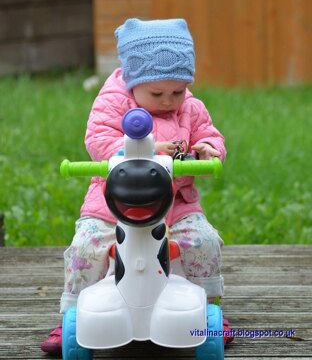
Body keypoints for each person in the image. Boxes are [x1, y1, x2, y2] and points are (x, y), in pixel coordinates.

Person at [41, 18, 233, 354]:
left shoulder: (190, 106)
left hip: (175, 207)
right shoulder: (113, 101)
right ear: (132, 80)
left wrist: (209, 149)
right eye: (157, 93)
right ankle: (71, 313)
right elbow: (98, 138)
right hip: (115, 205)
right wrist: (145, 148)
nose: (168, 100)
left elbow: (208, 134)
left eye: (178, 91)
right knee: (85, 247)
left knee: (203, 241)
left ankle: (208, 306)